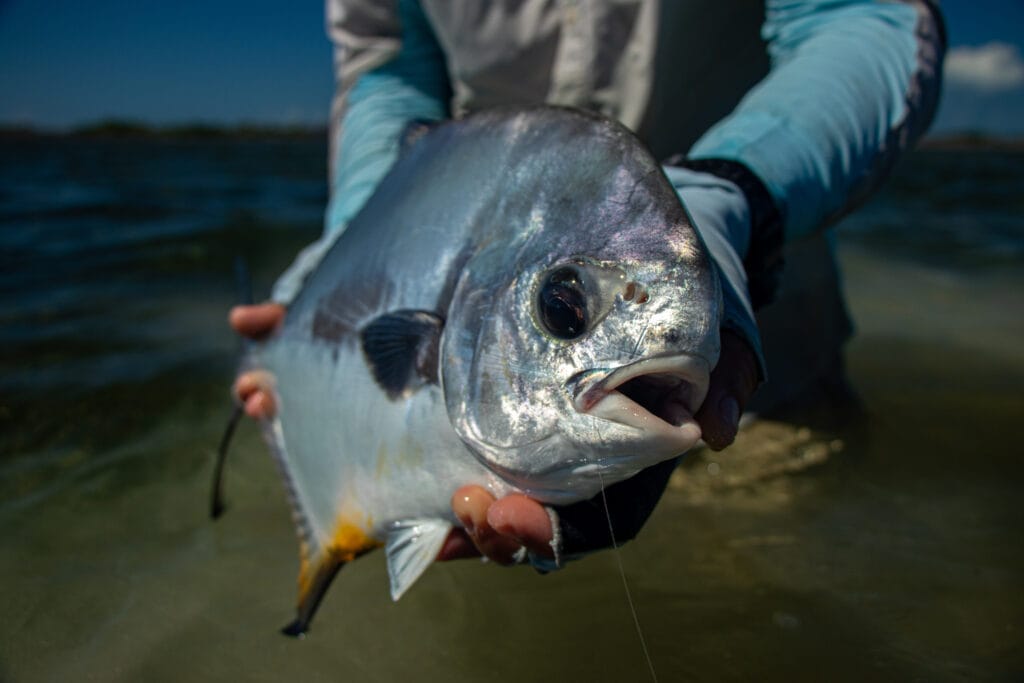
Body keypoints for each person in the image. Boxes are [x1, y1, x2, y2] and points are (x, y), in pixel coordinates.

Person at [231, 0, 945, 567]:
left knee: (772, 584)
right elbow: (391, 73)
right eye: (565, 310)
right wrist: (349, 248)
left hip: (752, 328)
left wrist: (732, 196)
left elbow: (863, 16)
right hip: (455, 262)